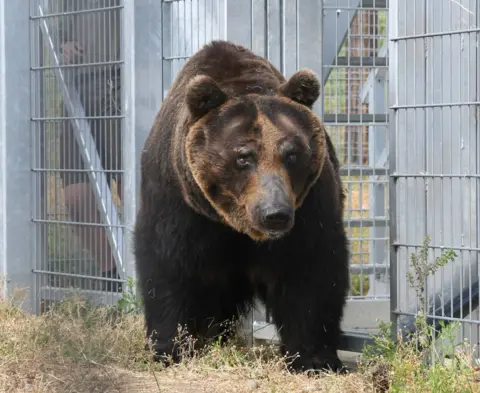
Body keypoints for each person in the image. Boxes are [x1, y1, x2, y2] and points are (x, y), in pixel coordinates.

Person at [55, 0, 123, 291]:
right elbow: (57, 32)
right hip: (78, 91)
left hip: (124, 84)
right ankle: (113, 279)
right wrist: (64, 45)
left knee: (132, 190)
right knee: (75, 197)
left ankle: (144, 275)